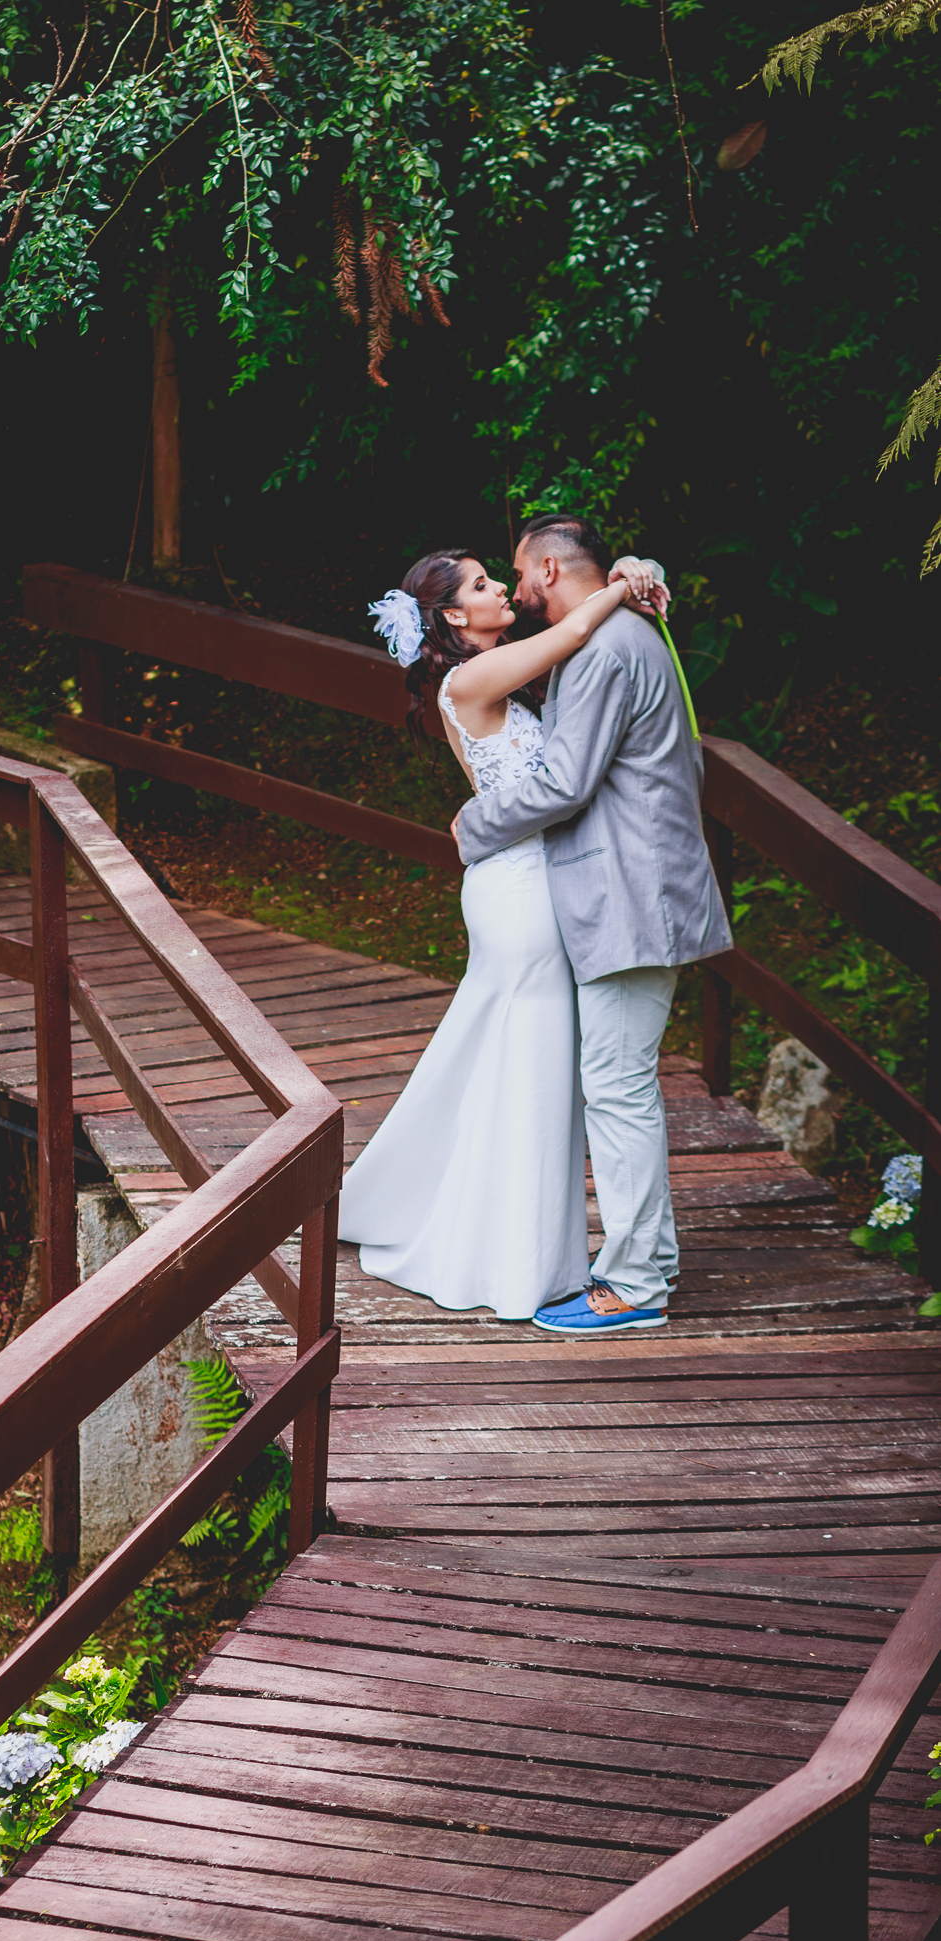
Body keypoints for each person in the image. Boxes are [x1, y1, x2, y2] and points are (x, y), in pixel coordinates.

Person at [337, 543, 664, 1323]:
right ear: (454, 615)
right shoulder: (470, 678)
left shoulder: (495, 669)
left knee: (520, 1061)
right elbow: (574, 635)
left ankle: (508, 1236)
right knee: (531, 1063)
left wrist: (624, 568)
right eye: (483, 586)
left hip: (530, 883)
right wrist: (622, 581)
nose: (499, 590)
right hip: (518, 893)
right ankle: (514, 1257)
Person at [453, 513, 732, 1331]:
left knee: (616, 1088)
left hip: (630, 895)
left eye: (516, 572)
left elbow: (567, 782)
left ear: (546, 569)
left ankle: (635, 1287)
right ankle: (653, 1261)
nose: (514, 586)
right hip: (639, 889)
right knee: (620, 1084)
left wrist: (472, 826)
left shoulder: (604, 650)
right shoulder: (627, 626)